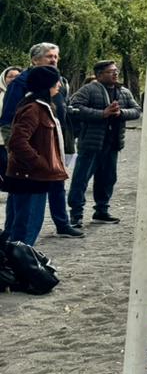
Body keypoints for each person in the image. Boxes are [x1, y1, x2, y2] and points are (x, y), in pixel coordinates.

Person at [1, 44, 79, 236]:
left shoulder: (53, 84)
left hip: (48, 145)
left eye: (56, 56)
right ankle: (11, 240)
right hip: (31, 161)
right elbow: (11, 125)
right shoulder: (24, 89)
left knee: (56, 184)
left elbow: (59, 114)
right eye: (49, 56)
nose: (54, 60)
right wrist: (31, 159)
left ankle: (62, 223)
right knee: (25, 211)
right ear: (35, 60)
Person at [67, 60, 141, 227]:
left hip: (113, 143)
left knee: (108, 179)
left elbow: (137, 110)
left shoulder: (123, 91)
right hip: (91, 143)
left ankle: (101, 210)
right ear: (99, 75)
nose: (115, 74)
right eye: (110, 72)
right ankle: (76, 214)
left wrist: (121, 112)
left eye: (116, 71)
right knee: (81, 179)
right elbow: (74, 108)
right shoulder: (88, 89)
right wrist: (102, 113)